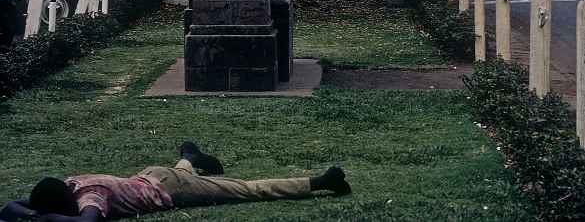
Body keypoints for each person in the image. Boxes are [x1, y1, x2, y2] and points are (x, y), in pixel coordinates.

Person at [0, 142, 350, 221]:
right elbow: (8, 206)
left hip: (171, 188)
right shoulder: (72, 182)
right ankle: (190, 158)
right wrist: (32, 215)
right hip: (154, 175)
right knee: (182, 172)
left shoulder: (91, 195)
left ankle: (322, 181)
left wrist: (41, 219)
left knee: (246, 190)